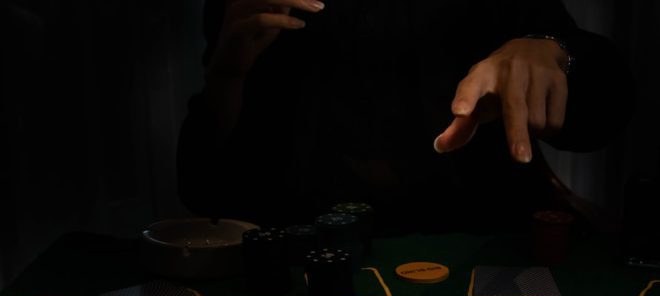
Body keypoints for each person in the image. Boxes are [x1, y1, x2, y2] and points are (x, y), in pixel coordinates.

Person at [177, 0, 634, 233]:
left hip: (477, 245)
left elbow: (602, 113)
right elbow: (205, 191)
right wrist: (226, 75)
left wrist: (556, 50)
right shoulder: (264, 7)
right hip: (301, 254)